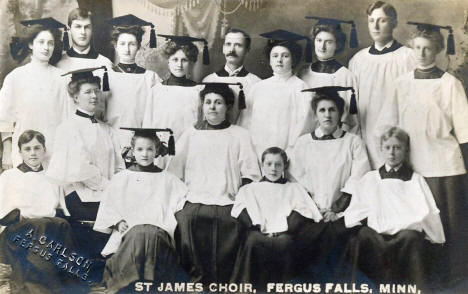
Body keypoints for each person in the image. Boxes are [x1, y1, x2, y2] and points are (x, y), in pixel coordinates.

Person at [376, 22, 468, 287]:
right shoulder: (400, 83)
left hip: (444, 164)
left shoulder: (450, 83)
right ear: (411, 48)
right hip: (413, 164)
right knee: (417, 221)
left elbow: (464, 131)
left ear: (438, 50)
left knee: (445, 223)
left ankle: (451, 276)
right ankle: (420, 274)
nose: (422, 54)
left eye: (428, 49)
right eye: (417, 48)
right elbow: (389, 124)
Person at [167, 83, 261, 286]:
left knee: (232, 224)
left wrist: (240, 196)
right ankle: (197, 279)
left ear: (227, 107)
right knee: (187, 220)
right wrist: (182, 197)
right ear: (202, 106)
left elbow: (250, 174)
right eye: (208, 102)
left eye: (218, 102)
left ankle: (226, 282)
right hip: (194, 197)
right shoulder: (191, 134)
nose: (212, 107)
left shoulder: (240, 135)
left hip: (229, 199)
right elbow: (174, 173)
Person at [344, 126, 445, 287]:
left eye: (397, 148)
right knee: (362, 235)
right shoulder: (371, 179)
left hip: (405, 233)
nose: (392, 153)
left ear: (405, 151)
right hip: (377, 232)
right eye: (388, 148)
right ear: (381, 150)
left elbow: (427, 211)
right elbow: (357, 208)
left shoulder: (415, 180)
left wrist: (432, 233)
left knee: (411, 237)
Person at [287, 86, 370, 279]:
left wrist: (335, 209)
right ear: (315, 115)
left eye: (332, 110)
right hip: (310, 211)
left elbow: (358, 179)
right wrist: (315, 209)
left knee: (338, 235)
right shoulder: (303, 143)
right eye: (322, 110)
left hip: (341, 211)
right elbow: (296, 180)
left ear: (340, 113)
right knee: (306, 236)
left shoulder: (353, 142)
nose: (327, 115)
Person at [94, 128, 188, 293]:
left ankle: (154, 283)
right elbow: (109, 205)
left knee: (151, 235)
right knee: (138, 234)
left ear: (157, 151)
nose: (145, 154)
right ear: (132, 151)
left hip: (159, 229)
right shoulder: (121, 178)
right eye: (140, 149)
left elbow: (181, 203)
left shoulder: (168, 179)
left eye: (150, 149)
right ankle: (128, 281)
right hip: (129, 229)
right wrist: (117, 221)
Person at [46, 67, 125, 258]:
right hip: (80, 195)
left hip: (106, 191)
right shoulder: (68, 128)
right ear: (75, 97)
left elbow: (119, 165)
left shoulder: (107, 129)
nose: (94, 96)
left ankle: (113, 261)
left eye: (96, 91)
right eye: (88, 92)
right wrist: (110, 188)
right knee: (113, 215)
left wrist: (120, 186)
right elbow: (80, 169)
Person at [231, 147, 322, 290]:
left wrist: (282, 230)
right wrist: (259, 228)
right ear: (262, 165)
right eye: (269, 164)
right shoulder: (250, 189)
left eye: (278, 164)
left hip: (286, 235)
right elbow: (241, 211)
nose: (273, 169)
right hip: (257, 233)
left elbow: (303, 213)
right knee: (253, 241)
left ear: (284, 166)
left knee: (285, 244)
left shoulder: (294, 188)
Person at [0, 130, 78, 294]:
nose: (33, 153)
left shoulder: (52, 178)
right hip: (15, 233)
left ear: (44, 150)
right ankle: (39, 288)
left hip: (44, 229)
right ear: (20, 152)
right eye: (27, 149)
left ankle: (69, 284)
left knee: (62, 224)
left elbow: (58, 210)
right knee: (41, 225)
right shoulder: (9, 176)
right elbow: (6, 214)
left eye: (37, 148)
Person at [348, 1, 415, 168]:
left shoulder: (408, 57)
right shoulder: (358, 60)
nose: (375, 26)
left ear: (394, 23)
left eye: (382, 20)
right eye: (371, 21)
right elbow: (353, 106)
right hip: (366, 132)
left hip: (399, 133)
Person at [0, 17, 68, 169]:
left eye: (50, 43)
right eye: (41, 42)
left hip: (55, 149)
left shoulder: (62, 78)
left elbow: (67, 118)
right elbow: (4, 118)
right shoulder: (15, 77)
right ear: (31, 44)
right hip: (24, 148)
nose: (46, 47)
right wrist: (7, 151)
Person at [238, 29, 313, 159]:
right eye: (275, 56)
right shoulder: (258, 88)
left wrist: (289, 153)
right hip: (257, 152)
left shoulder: (300, 88)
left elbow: (304, 125)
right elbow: (246, 123)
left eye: (285, 56)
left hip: (287, 154)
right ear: (270, 59)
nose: (279, 60)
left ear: (293, 59)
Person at [105, 14, 162, 148]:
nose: (127, 49)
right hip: (112, 138)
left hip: (141, 141)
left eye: (132, 44)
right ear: (115, 47)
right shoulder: (107, 75)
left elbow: (156, 113)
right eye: (122, 44)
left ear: (138, 47)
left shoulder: (150, 78)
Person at [299, 17, 359, 133]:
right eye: (319, 40)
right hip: (305, 136)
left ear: (337, 45)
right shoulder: (303, 72)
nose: (322, 47)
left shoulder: (345, 76)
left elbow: (350, 120)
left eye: (329, 42)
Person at [56, 7, 113, 120]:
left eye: (87, 27)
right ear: (69, 29)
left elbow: (109, 104)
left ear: (92, 29)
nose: (82, 32)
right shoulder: (59, 64)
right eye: (78, 27)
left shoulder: (105, 63)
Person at [143, 35, 203, 142]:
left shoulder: (198, 90)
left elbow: (202, 123)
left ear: (190, 62)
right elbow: (148, 123)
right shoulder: (157, 91)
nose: (179, 65)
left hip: (190, 144)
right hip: (163, 147)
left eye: (184, 60)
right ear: (168, 61)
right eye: (175, 59)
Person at [202, 28, 261, 123]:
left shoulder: (256, 83)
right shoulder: (209, 80)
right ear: (223, 48)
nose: (232, 50)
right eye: (228, 44)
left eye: (238, 45)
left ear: (247, 50)